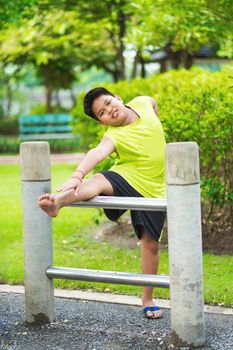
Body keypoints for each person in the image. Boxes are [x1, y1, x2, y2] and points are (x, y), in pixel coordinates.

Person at [38, 87, 166, 319]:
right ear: (101, 122)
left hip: (155, 188)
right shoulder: (113, 135)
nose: (109, 110)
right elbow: (96, 153)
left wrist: (157, 123)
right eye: (102, 113)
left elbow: (153, 103)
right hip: (128, 176)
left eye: (108, 103)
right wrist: (77, 175)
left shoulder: (143, 102)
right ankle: (59, 202)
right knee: (98, 180)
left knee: (151, 244)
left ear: (118, 97)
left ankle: (147, 299)